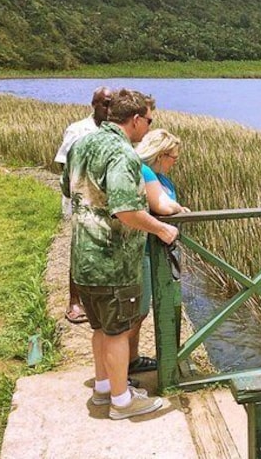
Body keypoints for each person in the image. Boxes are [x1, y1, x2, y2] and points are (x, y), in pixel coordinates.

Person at [62, 88, 179, 420]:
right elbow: (126, 209)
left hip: (82, 255)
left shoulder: (82, 144)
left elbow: (67, 188)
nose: (149, 127)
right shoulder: (122, 153)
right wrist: (161, 229)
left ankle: (102, 389)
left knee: (100, 328)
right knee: (116, 332)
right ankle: (122, 401)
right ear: (137, 119)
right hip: (113, 260)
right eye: (149, 120)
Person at [129, 129, 190, 374]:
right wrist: (179, 208)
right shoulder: (143, 171)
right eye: (173, 157)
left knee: (145, 311)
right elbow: (162, 206)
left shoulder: (160, 176)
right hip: (144, 250)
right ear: (160, 154)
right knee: (138, 311)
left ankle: (133, 361)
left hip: (160, 250)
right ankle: (124, 369)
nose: (175, 162)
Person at [54, 86, 113, 325]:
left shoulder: (114, 131)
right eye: (104, 103)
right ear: (94, 104)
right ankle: (74, 302)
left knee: (103, 249)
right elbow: (63, 165)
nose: (109, 109)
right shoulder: (78, 130)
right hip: (81, 201)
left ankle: (98, 301)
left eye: (112, 104)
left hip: (104, 203)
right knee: (81, 250)